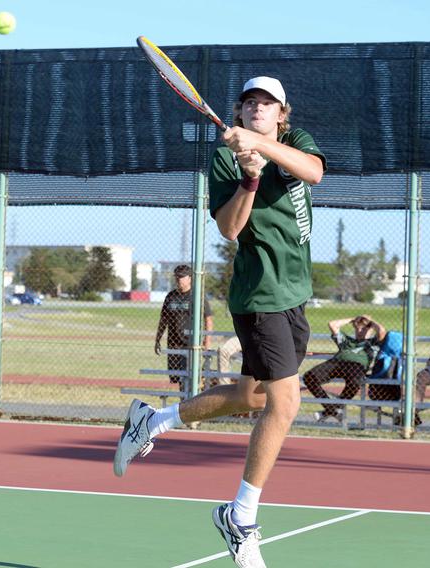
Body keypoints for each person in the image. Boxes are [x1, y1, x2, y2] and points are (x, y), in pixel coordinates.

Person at [114, 76, 326, 568]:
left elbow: (313, 173)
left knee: (252, 395)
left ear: (281, 113)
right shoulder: (225, 158)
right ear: (239, 110)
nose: (257, 108)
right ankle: (240, 517)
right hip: (260, 295)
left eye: (266, 103)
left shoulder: (295, 143)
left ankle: (154, 420)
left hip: (295, 292)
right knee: (285, 403)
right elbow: (230, 228)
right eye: (249, 103)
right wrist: (250, 176)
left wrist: (262, 148)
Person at [303, 315, 386, 423]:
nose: (360, 331)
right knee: (309, 377)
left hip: (356, 366)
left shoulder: (373, 343)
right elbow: (332, 324)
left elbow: (382, 330)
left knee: (356, 382)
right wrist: (352, 319)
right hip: (337, 363)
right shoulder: (347, 341)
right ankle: (332, 410)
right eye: (357, 328)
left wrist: (370, 321)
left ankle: (330, 410)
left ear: (370, 329)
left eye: (364, 328)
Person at [155, 264, 213, 391]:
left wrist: (207, 341)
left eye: (181, 277)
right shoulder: (170, 296)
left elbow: (208, 319)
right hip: (173, 344)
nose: (178, 280)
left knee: (189, 379)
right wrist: (157, 339)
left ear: (189, 278)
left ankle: (187, 405)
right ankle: (184, 405)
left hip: (190, 345)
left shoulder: (197, 296)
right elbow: (163, 319)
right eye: (176, 277)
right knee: (177, 379)